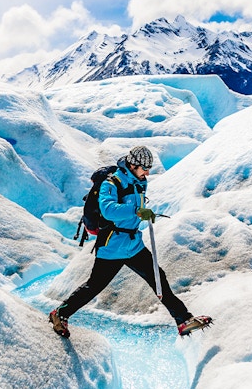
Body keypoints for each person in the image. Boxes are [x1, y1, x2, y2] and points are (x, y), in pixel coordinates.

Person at [49, 145, 212, 338]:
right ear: (133, 164)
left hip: (133, 244)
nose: (147, 172)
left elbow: (136, 207)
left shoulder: (139, 182)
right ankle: (59, 314)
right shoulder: (111, 183)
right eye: (144, 168)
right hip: (112, 245)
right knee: (94, 286)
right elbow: (109, 210)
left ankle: (183, 320)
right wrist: (135, 212)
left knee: (158, 278)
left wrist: (143, 214)